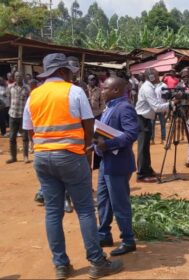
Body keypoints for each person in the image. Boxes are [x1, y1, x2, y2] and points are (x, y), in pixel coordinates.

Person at [23, 53, 122, 279]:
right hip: (70, 156)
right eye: (68, 71)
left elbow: (30, 130)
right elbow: (89, 128)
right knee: (85, 210)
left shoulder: (34, 95)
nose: (71, 75)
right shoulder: (74, 91)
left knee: (52, 212)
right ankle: (97, 262)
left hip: (42, 158)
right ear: (60, 72)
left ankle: (61, 265)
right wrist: (85, 153)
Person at [95, 76, 139, 255]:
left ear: (116, 90)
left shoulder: (125, 108)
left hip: (119, 163)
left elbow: (131, 134)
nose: (101, 91)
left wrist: (108, 145)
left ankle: (128, 240)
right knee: (103, 200)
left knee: (120, 203)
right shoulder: (110, 107)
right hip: (107, 162)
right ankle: (104, 234)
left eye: (105, 88)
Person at [136, 67, 179, 183]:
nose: (158, 77)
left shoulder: (151, 87)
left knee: (146, 147)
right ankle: (141, 175)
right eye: (156, 74)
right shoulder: (147, 88)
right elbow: (156, 107)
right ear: (150, 76)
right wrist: (171, 104)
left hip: (147, 118)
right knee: (142, 148)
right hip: (142, 119)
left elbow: (157, 103)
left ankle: (148, 170)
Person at [6, 71, 30, 164]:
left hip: (23, 116)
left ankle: (25, 157)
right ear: (14, 77)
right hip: (12, 115)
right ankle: (13, 157)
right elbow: (9, 99)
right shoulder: (10, 87)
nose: (18, 78)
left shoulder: (27, 88)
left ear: (22, 77)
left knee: (25, 137)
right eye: (16, 76)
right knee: (12, 137)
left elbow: (29, 101)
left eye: (20, 76)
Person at [151, 79, 168, 145]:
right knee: (152, 124)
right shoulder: (151, 86)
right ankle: (152, 139)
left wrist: (166, 108)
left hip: (161, 107)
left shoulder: (164, 85)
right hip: (153, 107)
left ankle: (163, 139)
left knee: (162, 124)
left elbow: (166, 97)